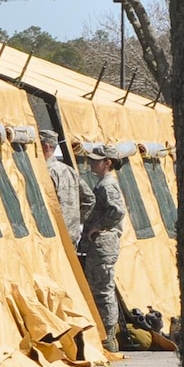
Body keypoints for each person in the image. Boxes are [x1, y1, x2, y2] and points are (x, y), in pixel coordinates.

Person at [80, 146, 129, 351]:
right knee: (98, 286)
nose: (91, 163)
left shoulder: (107, 185)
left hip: (103, 242)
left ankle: (108, 336)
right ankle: (105, 333)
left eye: (96, 160)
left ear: (107, 163)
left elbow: (117, 211)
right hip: (100, 242)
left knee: (102, 289)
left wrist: (99, 226)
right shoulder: (102, 184)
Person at [44, 130, 84, 248]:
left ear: (45, 147)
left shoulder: (47, 172)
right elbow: (89, 198)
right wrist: (76, 220)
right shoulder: (69, 170)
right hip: (72, 233)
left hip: (56, 234)